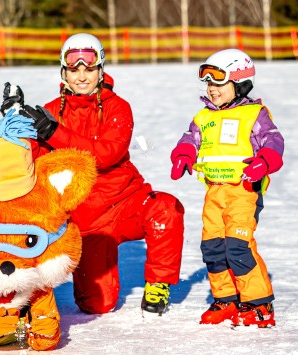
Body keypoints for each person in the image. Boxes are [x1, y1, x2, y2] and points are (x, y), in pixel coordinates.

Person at [11, 33, 185, 316]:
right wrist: (15, 125)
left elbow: (106, 155)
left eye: (89, 68)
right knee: (97, 305)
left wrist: (54, 132)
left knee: (165, 208)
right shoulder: (50, 112)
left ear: (100, 70)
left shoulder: (118, 107)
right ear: (63, 71)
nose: (81, 76)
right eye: (74, 68)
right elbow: (28, 162)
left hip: (125, 203)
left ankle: (159, 284)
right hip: (86, 220)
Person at [170, 48, 284, 328]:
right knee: (212, 248)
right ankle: (227, 298)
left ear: (240, 82)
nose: (211, 89)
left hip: (244, 192)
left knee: (238, 247)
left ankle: (259, 303)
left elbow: (273, 141)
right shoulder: (203, 118)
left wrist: (264, 161)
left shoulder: (254, 114)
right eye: (208, 83)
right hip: (214, 193)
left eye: (219, 83)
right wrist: (183, 155)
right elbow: (189, 140)